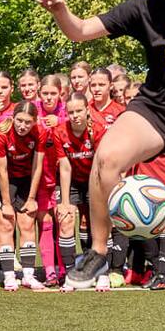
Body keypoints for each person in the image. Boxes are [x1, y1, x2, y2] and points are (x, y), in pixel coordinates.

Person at [0, 102, 49, 292]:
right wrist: (6, 202)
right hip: (2, 179)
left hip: (25, 179)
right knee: (6, 223)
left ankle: (28, 276)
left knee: (27, 223)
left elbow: (37, 166)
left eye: (28, 122)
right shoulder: (1, 134)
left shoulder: (39, 133)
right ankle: (9, 276)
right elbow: (2, 171)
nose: (22, 126)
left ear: (34, 122)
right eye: (19, 121)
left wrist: (32, 198)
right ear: (13, 118)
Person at [50, 92, 104, 289]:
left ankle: (100, 269)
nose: (75, 115)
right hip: (71, 181)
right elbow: (65, 168)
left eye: (79, 110)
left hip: (94, 179)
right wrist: (65, 203)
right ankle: (71, 271)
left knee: (97, 224)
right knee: (66, 221)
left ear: (87, 110)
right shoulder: (59, 132)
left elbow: (100, 166)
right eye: (71, 112)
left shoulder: (98, 130)